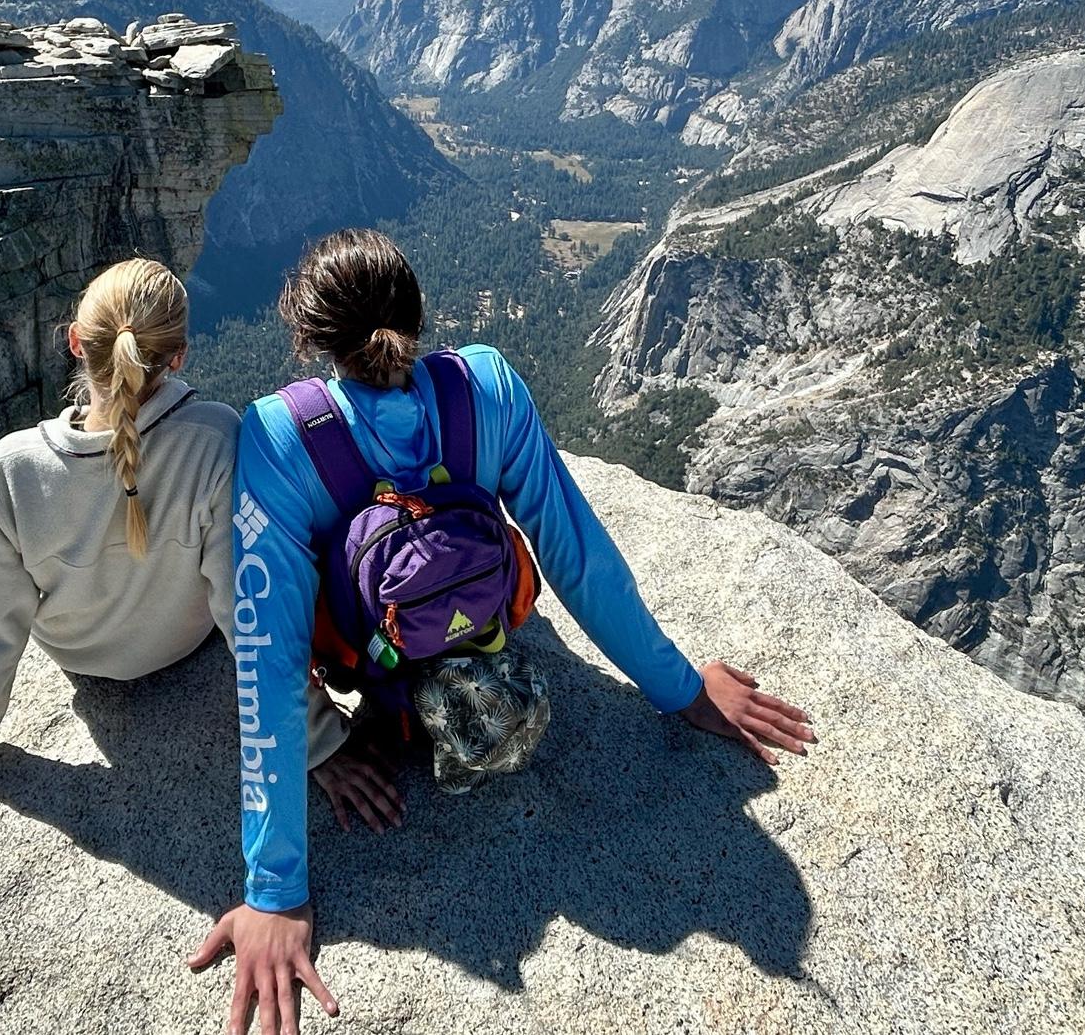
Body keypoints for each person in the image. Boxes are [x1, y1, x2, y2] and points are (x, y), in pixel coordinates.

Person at [190, 228, 817, 1033]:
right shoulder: (486, 387)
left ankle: (392, 691)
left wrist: (275, 889)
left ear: (313, 341)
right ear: (417, 317)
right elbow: (574, 555)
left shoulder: (281, 438)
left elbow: (267, 658)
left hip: (371, 672)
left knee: (280, 575)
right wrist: (679, 688)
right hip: (491, 636)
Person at [0, 256, 397, 829]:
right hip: (184, 643)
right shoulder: (214, 439)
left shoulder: (9, 469)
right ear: (177, 355)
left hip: (80, 657)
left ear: (77, 342)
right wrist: (317, 741)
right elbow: (245, 612)